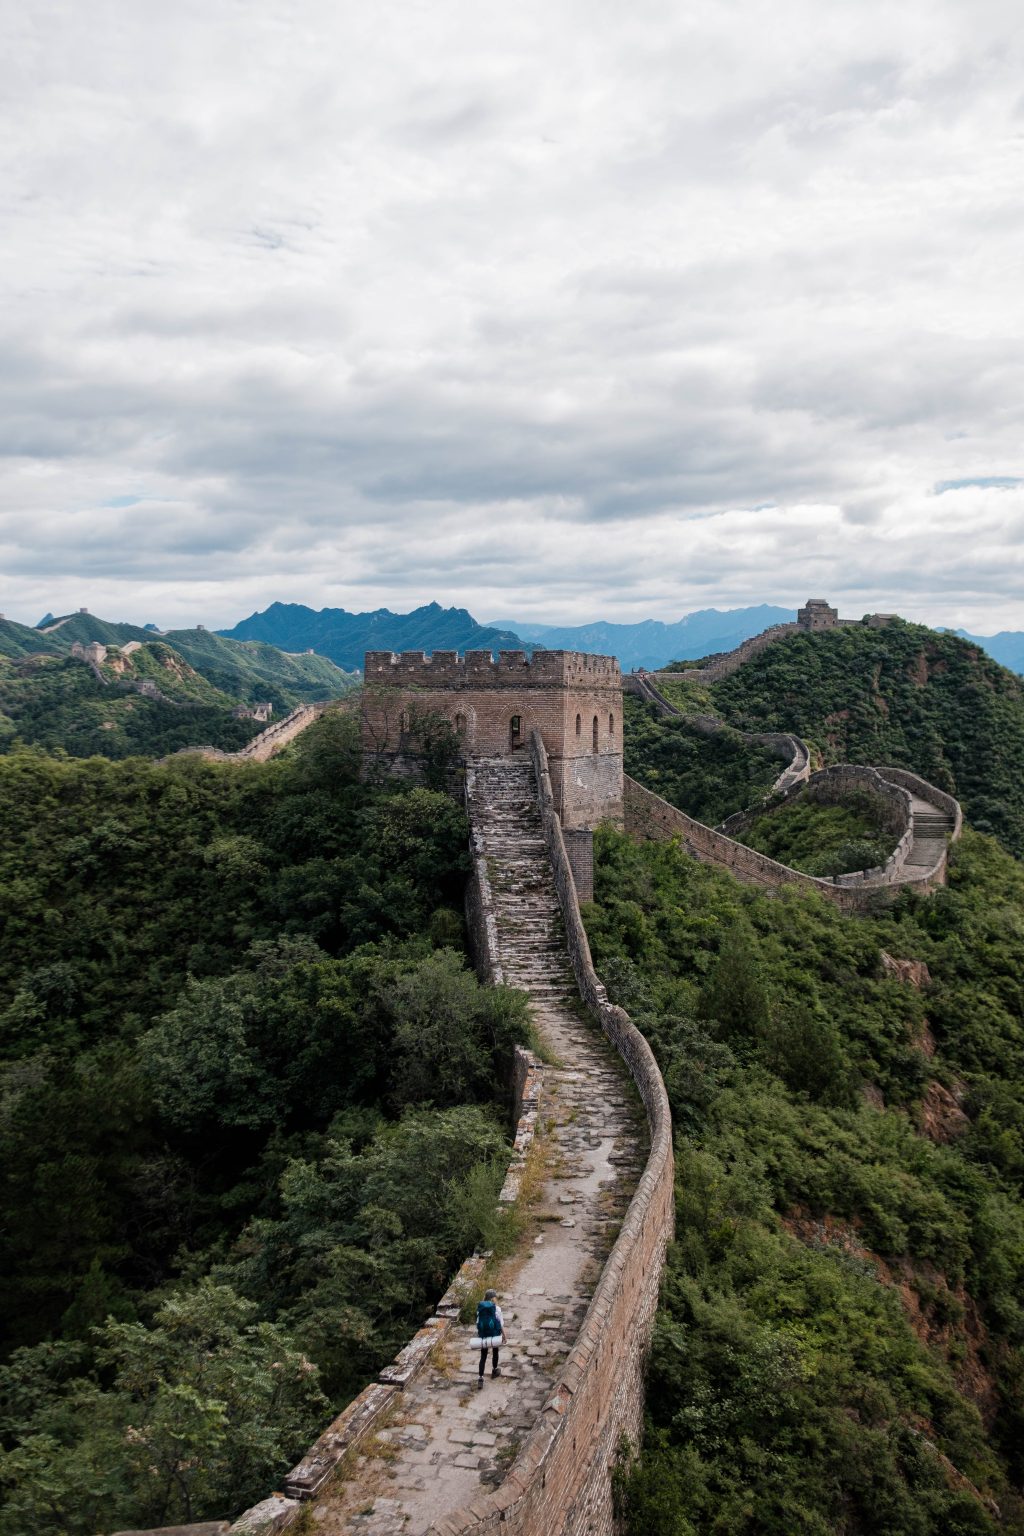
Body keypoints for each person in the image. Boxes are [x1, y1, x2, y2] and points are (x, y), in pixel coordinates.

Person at [475, 1289, 506, 1387]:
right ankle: (494, 1370)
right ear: (493, 1298)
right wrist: (504, 1336)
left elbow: (477, 1322)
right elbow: (500, 1324)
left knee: (483, 1356)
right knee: (495, 1351)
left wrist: (480, 1333)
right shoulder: (497, 1308)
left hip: (484, 1334)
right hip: (495, 1333)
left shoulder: (480, 1308)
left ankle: (480, 1378)